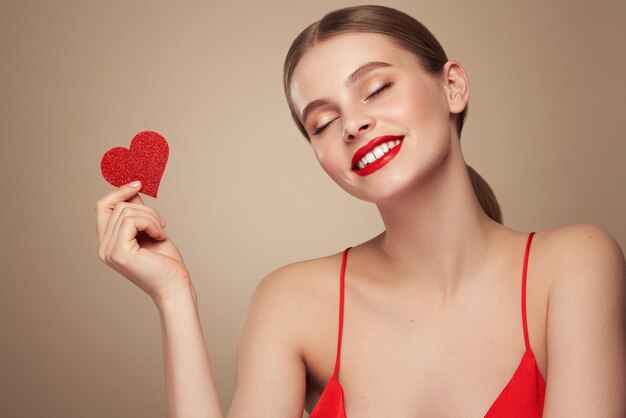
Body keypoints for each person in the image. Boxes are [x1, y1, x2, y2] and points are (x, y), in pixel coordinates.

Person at [95, 5, 626, 417]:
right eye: (322, 123)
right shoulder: (292, 302)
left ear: (452, 86)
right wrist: (174, 297)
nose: (352, 124)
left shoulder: (575, 265)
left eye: (377, 88)